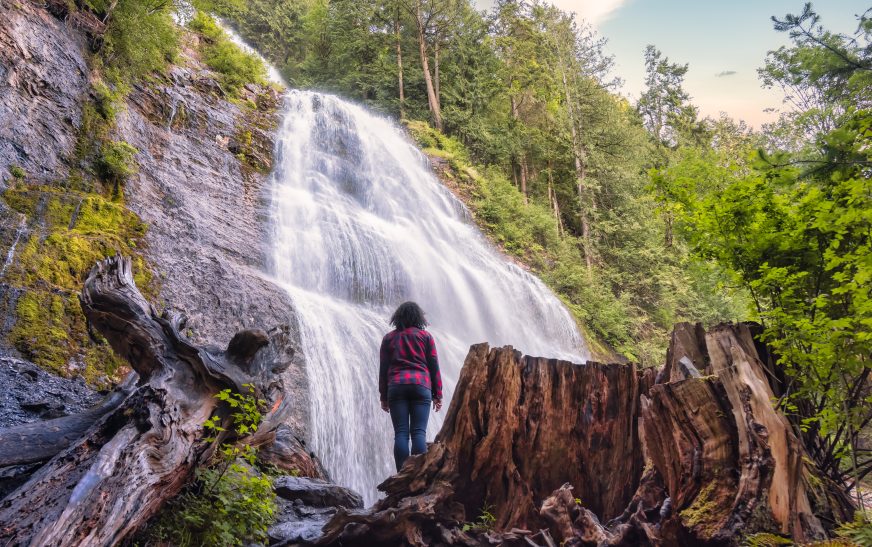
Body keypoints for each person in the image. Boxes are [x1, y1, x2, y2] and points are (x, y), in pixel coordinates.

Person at [379, 301, 443, 471]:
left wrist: (383, 396)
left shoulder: (389, 338)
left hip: (396, 386)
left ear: (397, 317)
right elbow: (434, 366)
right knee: (419, 433)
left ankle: (401, 474)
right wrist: (438, 394)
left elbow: (383, 369)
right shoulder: (426, 337)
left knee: (401, 433)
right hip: (421, 386)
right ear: (419, 317)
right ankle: (416, 474)